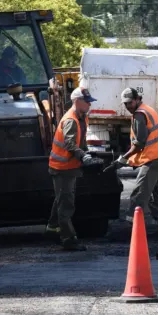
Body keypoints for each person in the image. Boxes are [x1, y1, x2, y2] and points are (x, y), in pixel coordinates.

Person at [108, 87, 158, 241]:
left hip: (155, 158)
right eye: (125, 104)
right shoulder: (147, 110)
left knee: (139, 192)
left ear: (137, 99)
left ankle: (129, 228)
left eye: (130, 103)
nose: (128, 106)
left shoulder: (140, 114)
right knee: (153, 193)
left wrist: (122, 160)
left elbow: (140, 143)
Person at [46, 87, 103, 251]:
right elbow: (70, 144)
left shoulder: (81, 117)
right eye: (87, 102)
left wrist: (85, 154)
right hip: (63, 168)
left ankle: (52, 228)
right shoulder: (71, 120)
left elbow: (79, 142)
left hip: (67, 167)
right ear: (77, 101)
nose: (89, 105)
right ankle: (68, 239)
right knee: (66, 204)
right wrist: (83, 156)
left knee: (61, 199)